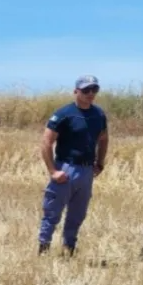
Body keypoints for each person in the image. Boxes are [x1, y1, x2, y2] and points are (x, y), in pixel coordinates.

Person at [37, 75, 109, 255]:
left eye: (94, 90)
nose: (90, 94)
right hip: (66, 168)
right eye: (86, 90)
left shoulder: (98, 114)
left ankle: (69, 248)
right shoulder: (63, 114)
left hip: (86, 170)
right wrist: (53, 171)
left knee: (78, 214)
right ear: (76, 91)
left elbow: (104, 138)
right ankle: (43, 247)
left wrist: (100, 163)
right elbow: (46, 142)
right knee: (52, 210)